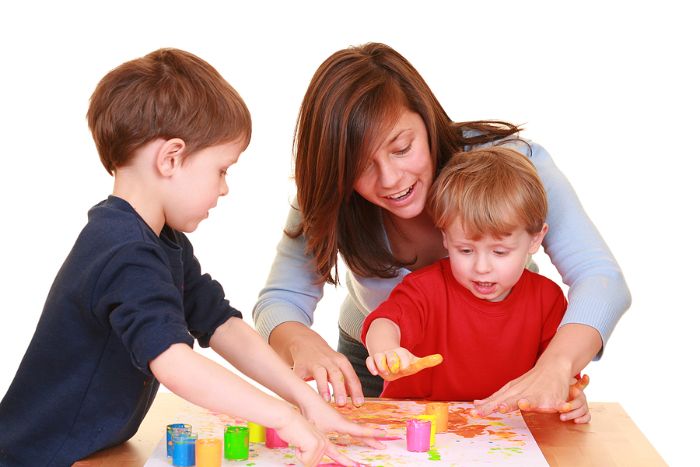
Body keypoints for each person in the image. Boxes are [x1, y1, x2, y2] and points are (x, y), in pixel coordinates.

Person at [0, 48, 382, 467]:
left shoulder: (161, 240)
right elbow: (175, 364)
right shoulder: (122, 250)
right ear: (171, 158)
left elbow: (221, 324)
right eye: (222, 169)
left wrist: (304, 400)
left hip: (88, 452)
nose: (223, 189)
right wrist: (283, 418)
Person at [253, 42, 631, 414]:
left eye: (401, 148)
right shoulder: (327, 193)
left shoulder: (512, 168)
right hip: (379, 368)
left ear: (427, 119)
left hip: (507, 364)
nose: (389, 179)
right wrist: (303, 343)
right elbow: (280, 298)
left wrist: (556, 367)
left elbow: (600, 277)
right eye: (359, 165)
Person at [361, 147, 590, 424]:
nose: (482, 267)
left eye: (500, 252)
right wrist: (385, 349)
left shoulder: (547, 299)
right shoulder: (424, 289)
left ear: (534, 239)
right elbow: (384, 322)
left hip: (506, 437)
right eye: (465, 250)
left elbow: (556, 379)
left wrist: (570, 398)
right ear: (445, 237)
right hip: (415, 432)